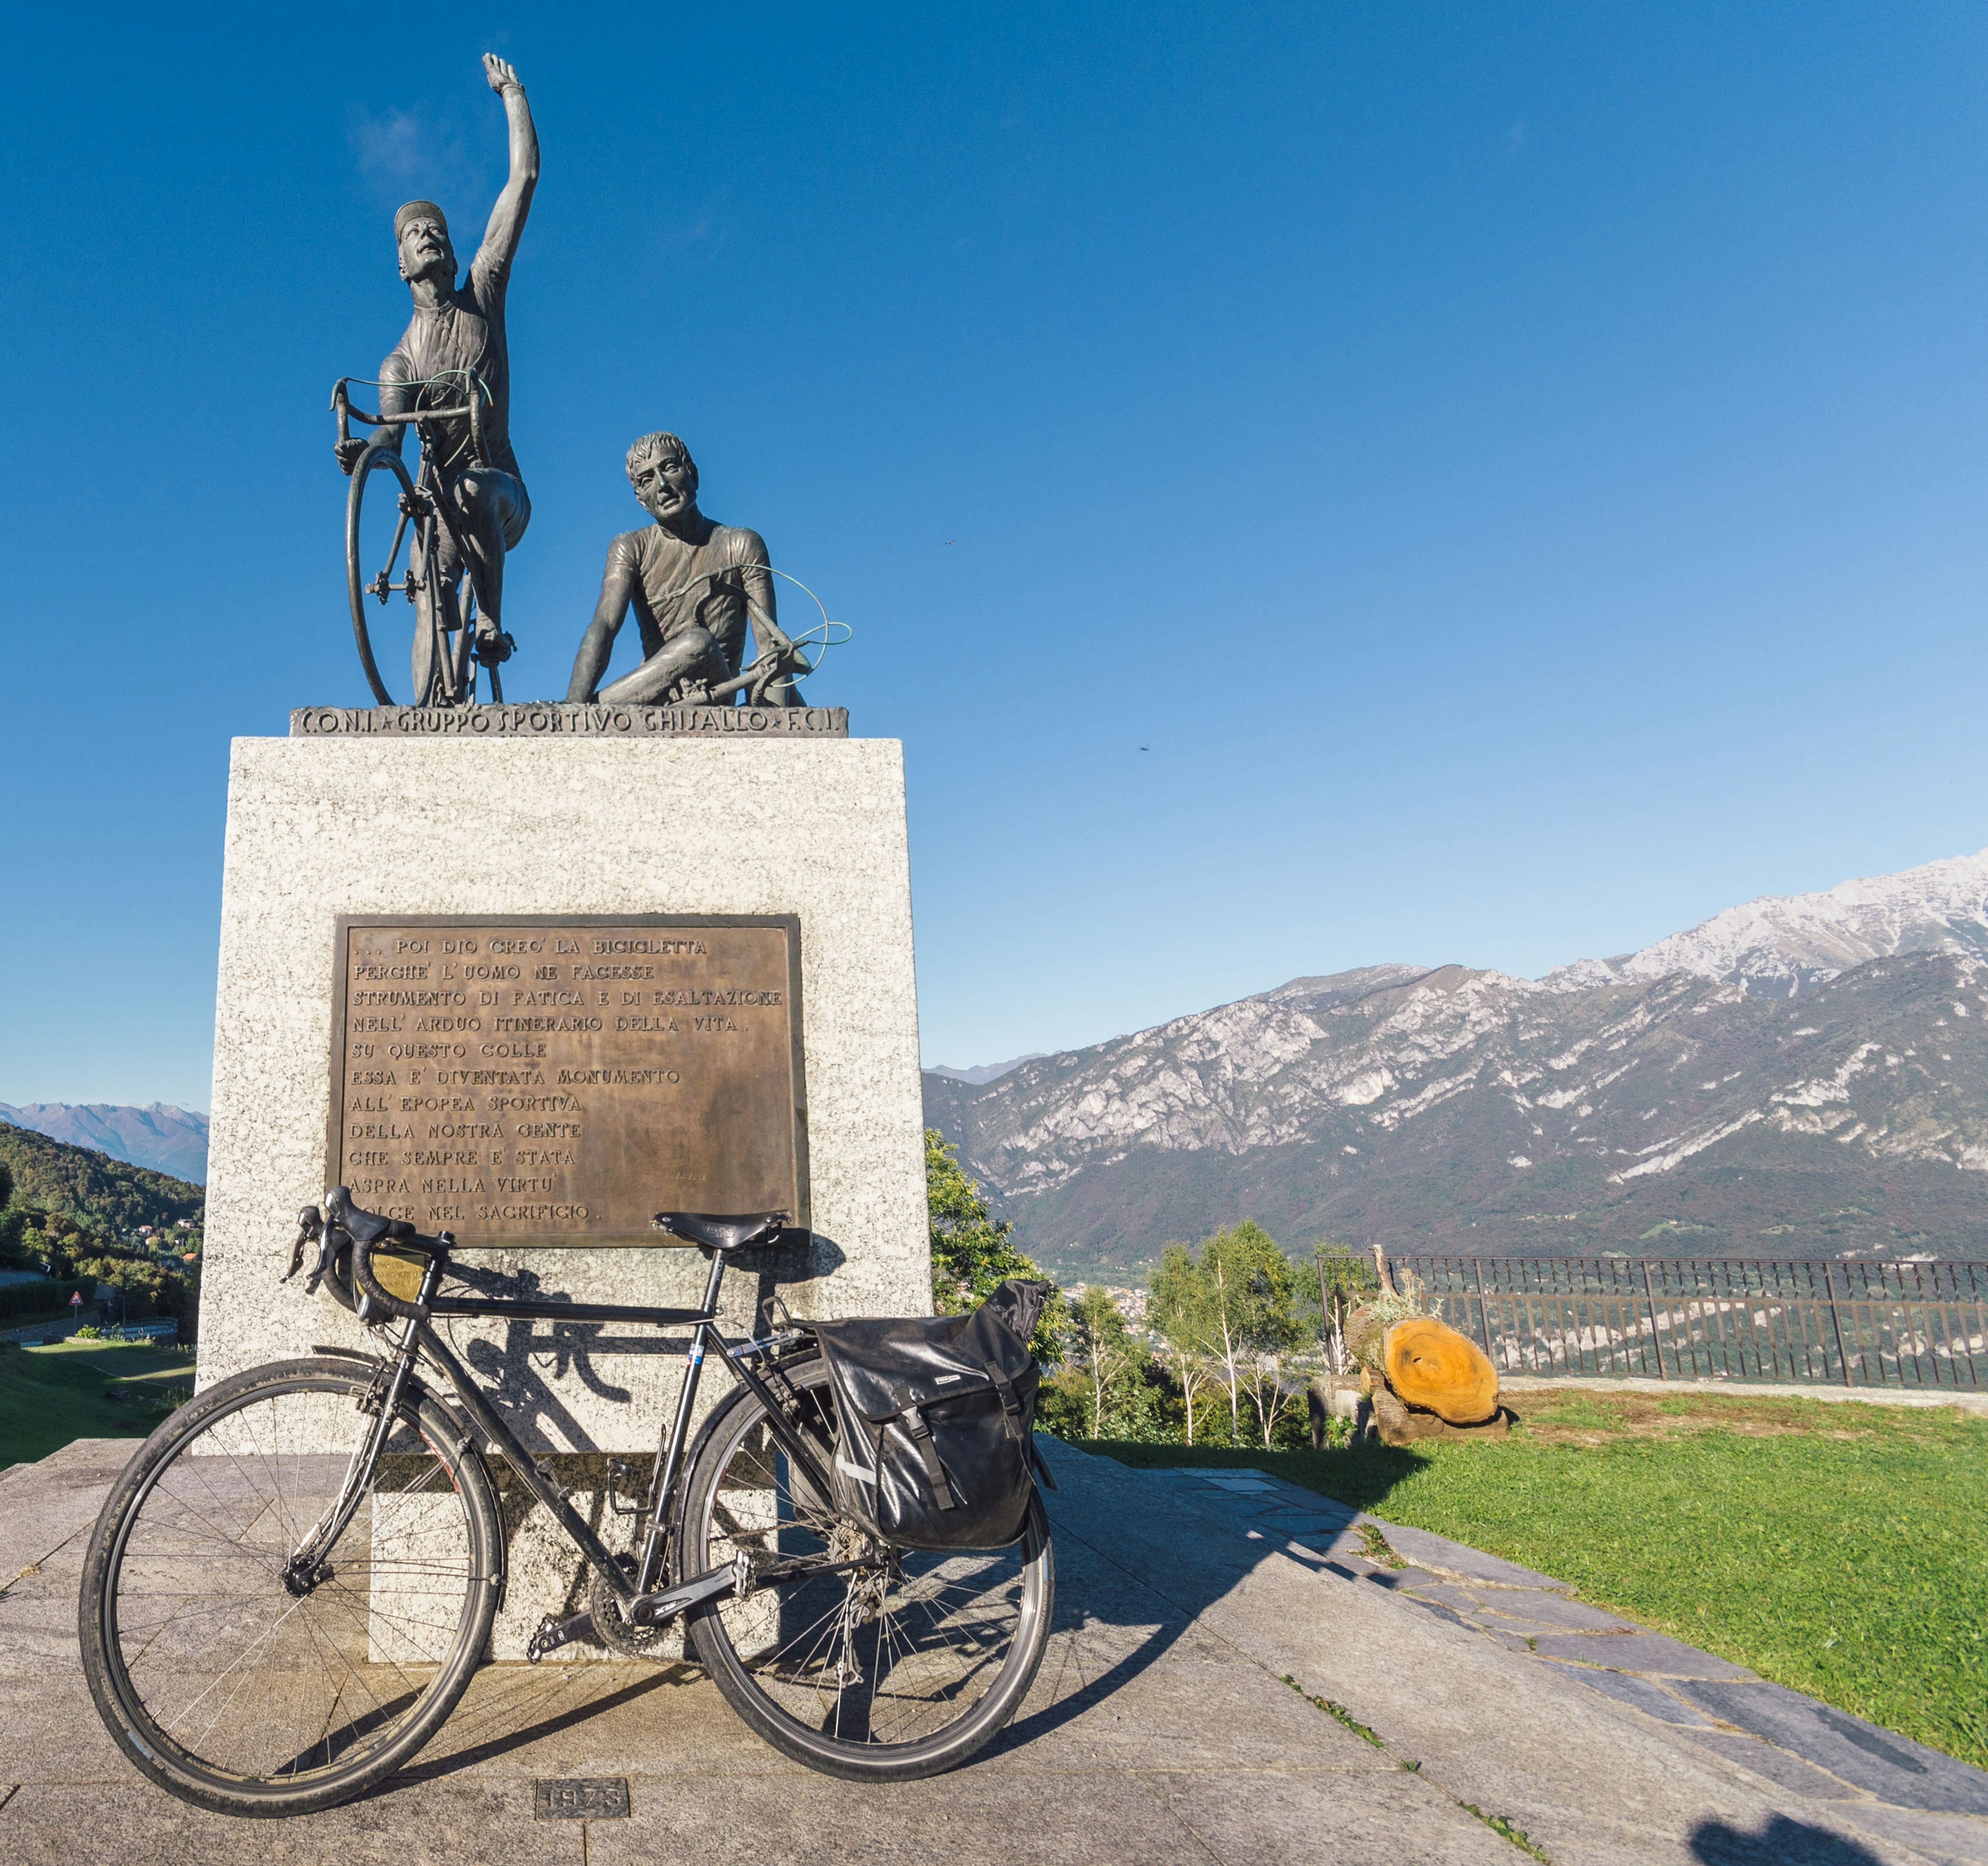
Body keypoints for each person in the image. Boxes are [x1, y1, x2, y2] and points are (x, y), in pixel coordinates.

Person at [336, 54, 538, 704]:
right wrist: (361, 452)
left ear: (451, 254)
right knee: (426, 583)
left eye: (437, 231)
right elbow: (389, 449)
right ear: (401, 266)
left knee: (473, 486)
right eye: (414, 234)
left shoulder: (482, 294)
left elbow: (522, 180)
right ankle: (424, 710)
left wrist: (513, 95)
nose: (427, 235)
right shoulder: (398, 362)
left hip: (499, 490)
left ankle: (490, 622)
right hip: (439, 509)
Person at [565, 431, 807, 706]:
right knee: (695, 643)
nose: (662, 485)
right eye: (647, 481)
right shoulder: (630, 547)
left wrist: (768, 718)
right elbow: (605, 625)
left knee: (704, 644)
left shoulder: (741, 544)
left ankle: (590, 710)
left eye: (669, 468)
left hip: (719, 691)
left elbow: (768, 646)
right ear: (641, 500)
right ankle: (580, 710)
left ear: (693, 474)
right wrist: (573, 704)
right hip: (661, 696)